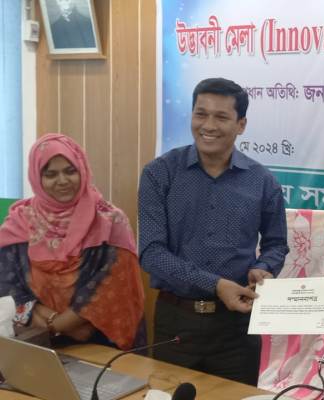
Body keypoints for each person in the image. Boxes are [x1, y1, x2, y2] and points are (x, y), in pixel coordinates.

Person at [138, 77, 288, 384]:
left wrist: (264, 267)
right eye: (201, 114)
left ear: (241, 124)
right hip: (175, 322)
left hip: (237, 328)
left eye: (221, 117)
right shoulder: (159, 173)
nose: (208, 125)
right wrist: (215, 284)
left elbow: (276, 244)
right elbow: (151, 253)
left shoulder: (262, 181)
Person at [0, 133, 145, 350]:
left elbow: (112, 287)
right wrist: (55, 325)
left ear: (82, 170)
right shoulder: (19, 222)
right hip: (36, 341)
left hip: (101, 341)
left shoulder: (109, 221)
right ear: (37, 178)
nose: (62, 181)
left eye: (70, 171)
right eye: (51, 174)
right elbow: (7, 285)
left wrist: (57, 324)